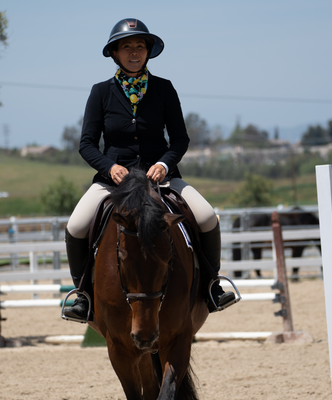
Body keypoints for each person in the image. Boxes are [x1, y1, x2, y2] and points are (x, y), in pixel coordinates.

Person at [63, 18, 235, 321]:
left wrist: (164, 163)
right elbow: (87, 144)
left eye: (139, 46)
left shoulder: (164, 89)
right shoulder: (100, 92)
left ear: (148, 52)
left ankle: (212, 285)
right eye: (126, 46)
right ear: (115, 53)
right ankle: (83, 296)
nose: (133, 52)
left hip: (161, 178)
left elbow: (180, 138)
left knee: (207, 216)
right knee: (76, 226)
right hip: (114, 182)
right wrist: (110, 167)